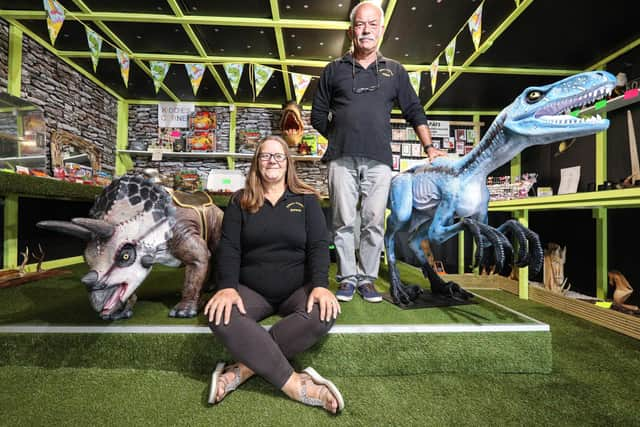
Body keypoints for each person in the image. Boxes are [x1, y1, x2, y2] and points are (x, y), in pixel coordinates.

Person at [311, 1, 446, 303]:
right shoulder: (333, 70)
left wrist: (429, 147)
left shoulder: (395, 71)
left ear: (381, 30)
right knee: (343, 221)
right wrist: (338, 137)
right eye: (360, 24)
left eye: (372, 24)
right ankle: (347, 279)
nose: (366, 30)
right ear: (351, 31)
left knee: (374, 220)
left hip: (379, 161)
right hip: (340, 159)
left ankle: (367, 280)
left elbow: (414, 109)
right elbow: (317, 115)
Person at [204, 135, 344, 414]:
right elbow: (229, 247)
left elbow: (318, 245)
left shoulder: (306, 199)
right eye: (265, 156)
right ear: (257, 162)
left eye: (278, 156)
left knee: (324, 312)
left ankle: (242, 369)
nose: (272, 161)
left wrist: (320, 285)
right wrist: (228, 287)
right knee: (219, 314)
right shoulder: (240, 201)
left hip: (297, 289)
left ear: (287, 163)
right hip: (252, 289)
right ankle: (294, 383)